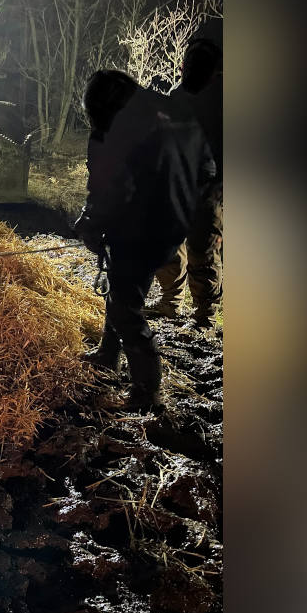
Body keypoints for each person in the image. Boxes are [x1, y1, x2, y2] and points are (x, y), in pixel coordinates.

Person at [75, 69, 216, 410]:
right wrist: (182, 204)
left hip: (138, 228)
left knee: (126, 307)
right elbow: (208, 170)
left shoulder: (116, 127)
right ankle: (109, 353)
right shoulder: (177, 111)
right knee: (120, 283)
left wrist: (91, 222)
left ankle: (146, 391)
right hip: (175, 222)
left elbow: (111, 187)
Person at [151, 39, 224, 326]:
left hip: (210, 188)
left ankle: (204, 316)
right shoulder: (176, 96)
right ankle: (171, 301)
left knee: (201, 249)